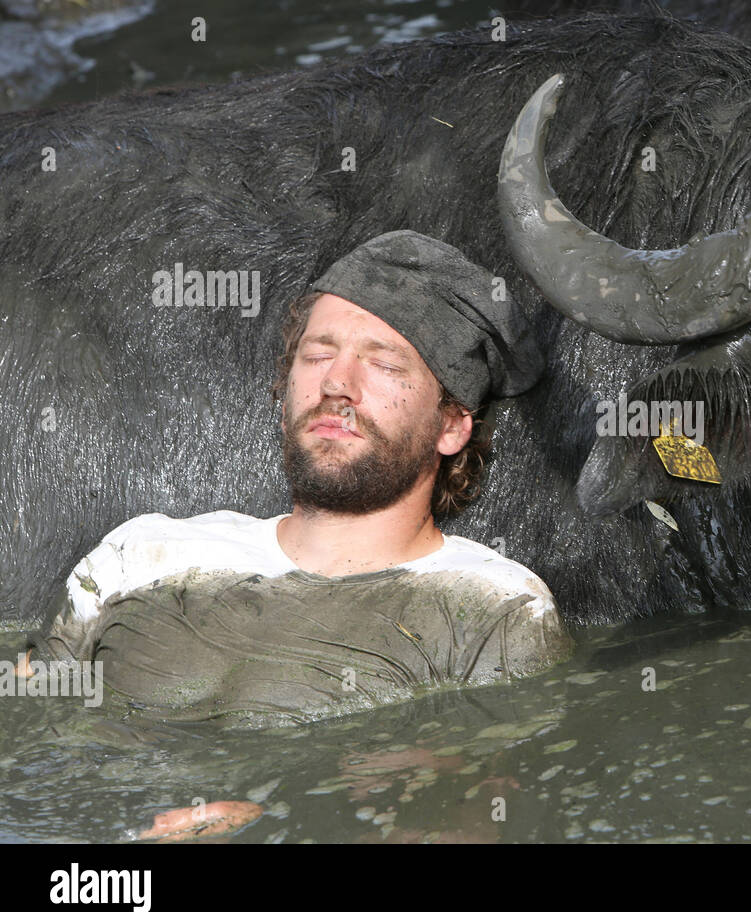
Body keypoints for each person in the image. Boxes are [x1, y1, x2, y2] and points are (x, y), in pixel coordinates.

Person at [22, 231, 571, 723]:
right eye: (317, 355)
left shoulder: (496, 610)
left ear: (451, 427)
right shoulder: (139, 552)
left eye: (383, 364)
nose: (337, 383)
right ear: (285, 397)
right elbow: (27, 726)